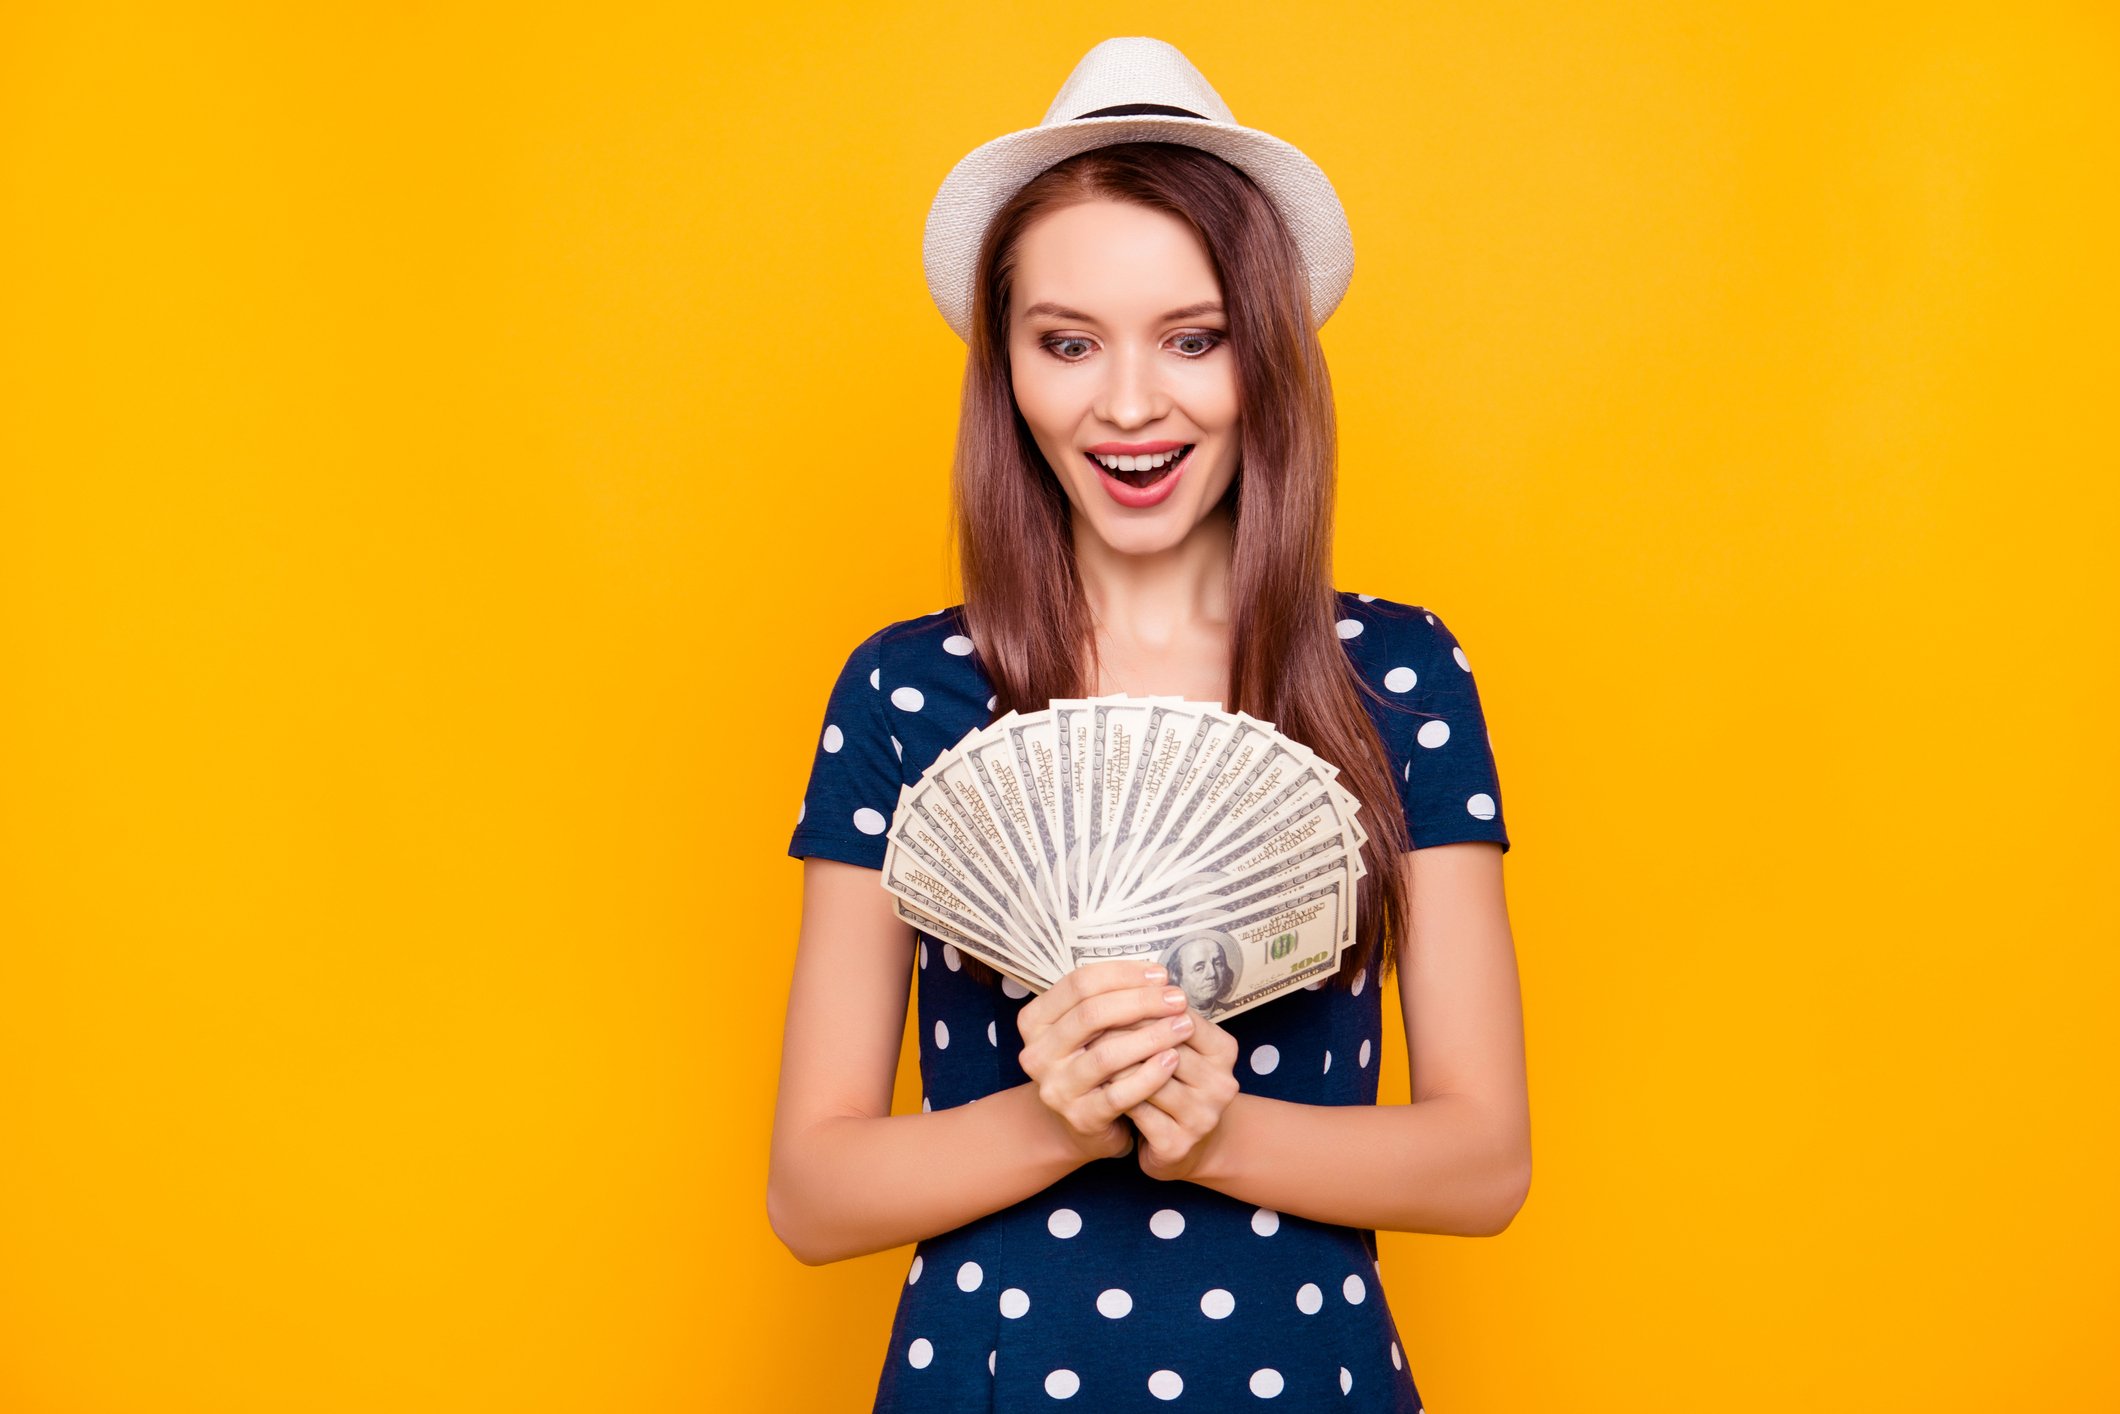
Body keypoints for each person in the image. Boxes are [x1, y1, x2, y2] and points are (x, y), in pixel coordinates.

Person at [769, 37, 1529, 1412]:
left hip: (1304, 1372)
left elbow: (1486, 1160)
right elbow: (812, 1190)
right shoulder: (903, 691)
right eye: (1068, 341)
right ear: (1005, 365)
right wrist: (1054, 1116)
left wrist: (1217, 1130)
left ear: (1271, 353)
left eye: (1195, 338)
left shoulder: (1400, 676)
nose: (1129, 404)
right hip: (986, 1374)